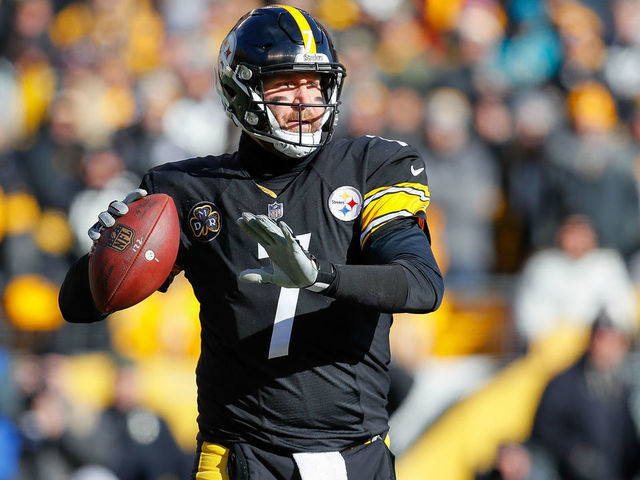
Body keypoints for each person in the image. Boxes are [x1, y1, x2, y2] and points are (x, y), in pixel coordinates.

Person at [58, 5, 444, 480]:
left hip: (357, 454)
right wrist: (106, 255)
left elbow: (422, 284)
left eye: (316, 83)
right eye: (286, 83)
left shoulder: (370, 166)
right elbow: (78, 305)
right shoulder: (187, 189)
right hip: (241, 456)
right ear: (242, 90)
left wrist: (320, 276)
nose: (305, 99)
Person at [529, 313, 640, 480]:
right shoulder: (564, 384)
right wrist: (574, 452)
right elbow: (543, 428)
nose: (608, 347)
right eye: (602, 339)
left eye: (615, 341)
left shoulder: (621, 384)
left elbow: (628, 441)